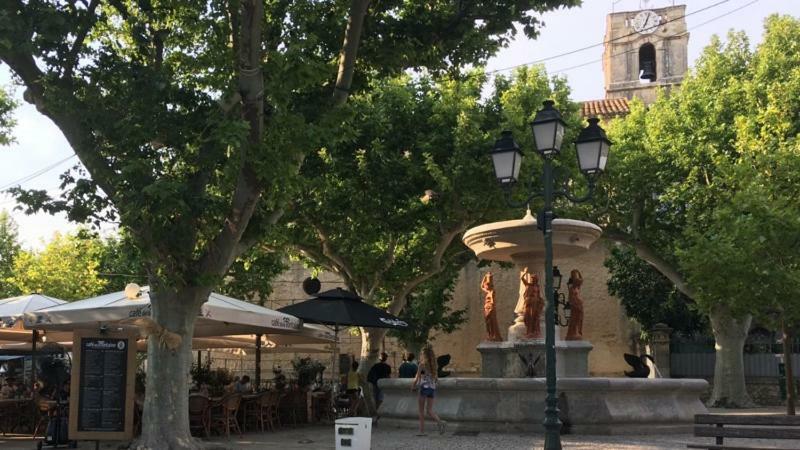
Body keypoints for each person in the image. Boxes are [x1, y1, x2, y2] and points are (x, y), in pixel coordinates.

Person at [411, 345, 446, 435]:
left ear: (424, 354)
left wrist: (413, 386)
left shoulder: (422, 365)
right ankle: (440, 422)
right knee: (429, 410)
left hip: (423, 388)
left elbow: (417, 378)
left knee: (421, 411)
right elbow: (436, 379)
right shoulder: (434, 365)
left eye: (422, 354)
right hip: (432, 389)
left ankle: (422, 431)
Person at [521, 267, 544, 339]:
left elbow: (539, 296)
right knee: (528, 318)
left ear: (536, 280)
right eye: (531, 279)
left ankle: (535, 331)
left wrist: (541, 302)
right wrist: (524, 273)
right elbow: (522, 278)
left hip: (536, 304)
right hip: (529, 304)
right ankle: (529, 332)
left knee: (535, 318)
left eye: (533, 279)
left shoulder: (537, 287)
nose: (532, 280)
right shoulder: (528, 285)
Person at [480, 272, 504, 341]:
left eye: (487, 285)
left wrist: (490, 308)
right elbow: (481, 286)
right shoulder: (488, 291)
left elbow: (493, 302)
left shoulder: (491, 292)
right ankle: (490, 335)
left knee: (491, 322)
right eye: (486, 285)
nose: (485, 287)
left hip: (490, 308)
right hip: (486, 308)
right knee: (487, 323)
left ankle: (494, 335)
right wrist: (484, 277)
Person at [566, 269, 585, 340]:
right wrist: (574, 303)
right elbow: (570, 298)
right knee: (574, 319)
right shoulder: (571, 288)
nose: (577, 280)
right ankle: (574, 332)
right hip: (575, 306)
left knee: (579, 319)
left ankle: (578, 332)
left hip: (579, 305)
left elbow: (581, 280)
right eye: (575, 278)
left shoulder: (578, 287)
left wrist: (578, 272)